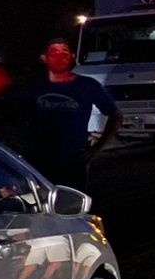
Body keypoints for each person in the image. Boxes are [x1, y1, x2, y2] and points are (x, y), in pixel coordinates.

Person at [20, 38, 121, 190]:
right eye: (54, 53)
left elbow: (115, 115)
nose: (59, 57)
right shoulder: (33, 86)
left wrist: (96, 149)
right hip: (38, 161)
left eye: (64, 53)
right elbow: (16, 115)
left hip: (73, 161)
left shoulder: (87, 85)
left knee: (72, 202)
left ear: (73, 57)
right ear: (44, 58)